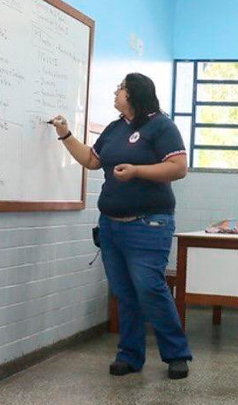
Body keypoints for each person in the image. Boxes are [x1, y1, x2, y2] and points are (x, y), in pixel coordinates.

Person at [49, 73, 193, 380]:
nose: (115, 93)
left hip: (149, 224)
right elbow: (91, 160)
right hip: (112, 227)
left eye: (121, 89)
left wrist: (138, 171)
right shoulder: (115, 129)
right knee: (124, 292)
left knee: (150, 289)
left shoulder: (161, 126)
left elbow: (179, 167)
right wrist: (65, 134)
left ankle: (177, 354)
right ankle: (130, 355)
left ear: (135, 95)